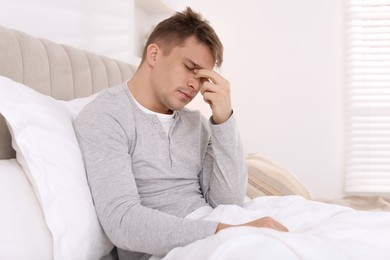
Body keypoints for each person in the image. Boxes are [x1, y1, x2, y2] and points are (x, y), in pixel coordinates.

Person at [74, 7, 288, 260]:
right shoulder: (106, 115)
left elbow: (228, 201)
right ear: (154, 54)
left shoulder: (196, 124)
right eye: (189, 67)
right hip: (174, 248)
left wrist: (224, 120)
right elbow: (122, 222)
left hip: (219, 228)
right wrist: (227, 232)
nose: (194, 85)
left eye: (202, 78)